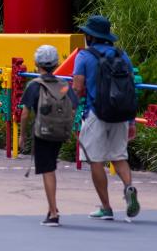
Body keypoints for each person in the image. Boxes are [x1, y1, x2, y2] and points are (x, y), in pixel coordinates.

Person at [72, 14, 140, 221]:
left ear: (91, 36)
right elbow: (130, 87)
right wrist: (131, 120)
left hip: (96, 114)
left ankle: (106, 207)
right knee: (119, 157)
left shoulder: (84, 56)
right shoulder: (122, 55)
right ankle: (129, 188)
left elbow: (77, 88)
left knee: (95, 160)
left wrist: (73, 113)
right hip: (120, 114)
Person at [18, 44, 77, 226]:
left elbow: (26, 113)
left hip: (42, 132)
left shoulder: (34, 85)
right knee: (50, 166)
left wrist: (22, 135)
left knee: (48, 170)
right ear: (56, 63)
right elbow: (73, 105)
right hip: (60, 132)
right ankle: (52, 208)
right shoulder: (63, 85)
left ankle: (53, 212)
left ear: (37, 64)